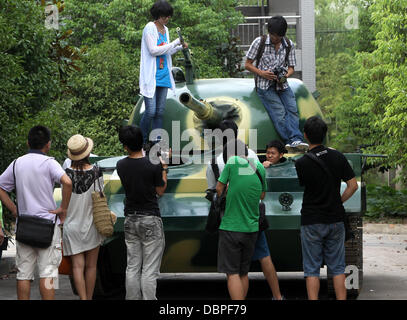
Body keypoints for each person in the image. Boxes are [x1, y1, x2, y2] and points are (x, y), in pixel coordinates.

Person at [206, 121, 283, 300]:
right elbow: (261, 193)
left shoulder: (215, 161)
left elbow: (214, 190)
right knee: (246, 269)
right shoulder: (254, 159)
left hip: (230, 221)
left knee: (232, 272)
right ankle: (277, 296)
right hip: (252, 220)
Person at [0, 125, 72, 300]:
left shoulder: (17, 163)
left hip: (24, 225)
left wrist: (14, 209)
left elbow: (1, 187)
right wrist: (63, 207)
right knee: (48, 274)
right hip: (47, 227)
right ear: (48, 145)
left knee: (23, 274)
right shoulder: (49, 163)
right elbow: (67, 182)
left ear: (27, 143)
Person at [294, 116, 358, 300]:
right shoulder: (338, 156)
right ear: (325, 135)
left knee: (312, 269)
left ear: (305, 135)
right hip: (335, 220)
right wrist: (338, 201)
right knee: (337, 267)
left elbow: (305, 184)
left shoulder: (302, 163)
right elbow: (353, 185)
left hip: (312, 220)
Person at [117, 125, 168, 300]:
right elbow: (160, 191)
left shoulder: (120, 165)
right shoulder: (152, 164)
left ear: (125, 146)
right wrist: (164, 168)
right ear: (142, 142)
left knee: (132, 267)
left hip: (130, 218)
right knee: (149, 270)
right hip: (150, 218)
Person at [245, 15, 308, 152]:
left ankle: (296, 140)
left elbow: (291, 67)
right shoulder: (259, 42)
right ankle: (291, 140)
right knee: (279, 112)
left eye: (278, 37)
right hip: (264, 85)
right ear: (269, 32)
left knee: (292, 108)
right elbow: (247, 65)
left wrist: (285, 76)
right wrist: (262, 73)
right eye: (273, 36)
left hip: (282, 84)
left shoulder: (288, 44)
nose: (275, 39)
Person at [216, 139, 267, 300]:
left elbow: (218, 189)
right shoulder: (259, 166)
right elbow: (262, 195)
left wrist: (228, 191)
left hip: (231, 226)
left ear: (230, 154)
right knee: (243, 273)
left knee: (232, 274)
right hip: (251, 228)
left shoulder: (232, 161)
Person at [139, 0, 188, 144]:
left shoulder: (165, 30)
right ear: (158, 15)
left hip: (164, 75)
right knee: (151, 111)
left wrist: (179, 47)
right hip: (152, 76)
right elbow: (154, 50)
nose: (167, 19)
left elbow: (167, 51)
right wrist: (174, 43)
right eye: (164, 16)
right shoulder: (150, 28)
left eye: (168, 16)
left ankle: (157, 143)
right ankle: (141, 142)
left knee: (159, 112)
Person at [62, 134, 105, 300]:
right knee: (91, 266)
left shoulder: (65, 174)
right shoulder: (96, 172)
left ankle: (83, 298)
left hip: (71, 227)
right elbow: (100, 196)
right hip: (92, 224)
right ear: (87, 153)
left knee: (77, 267)